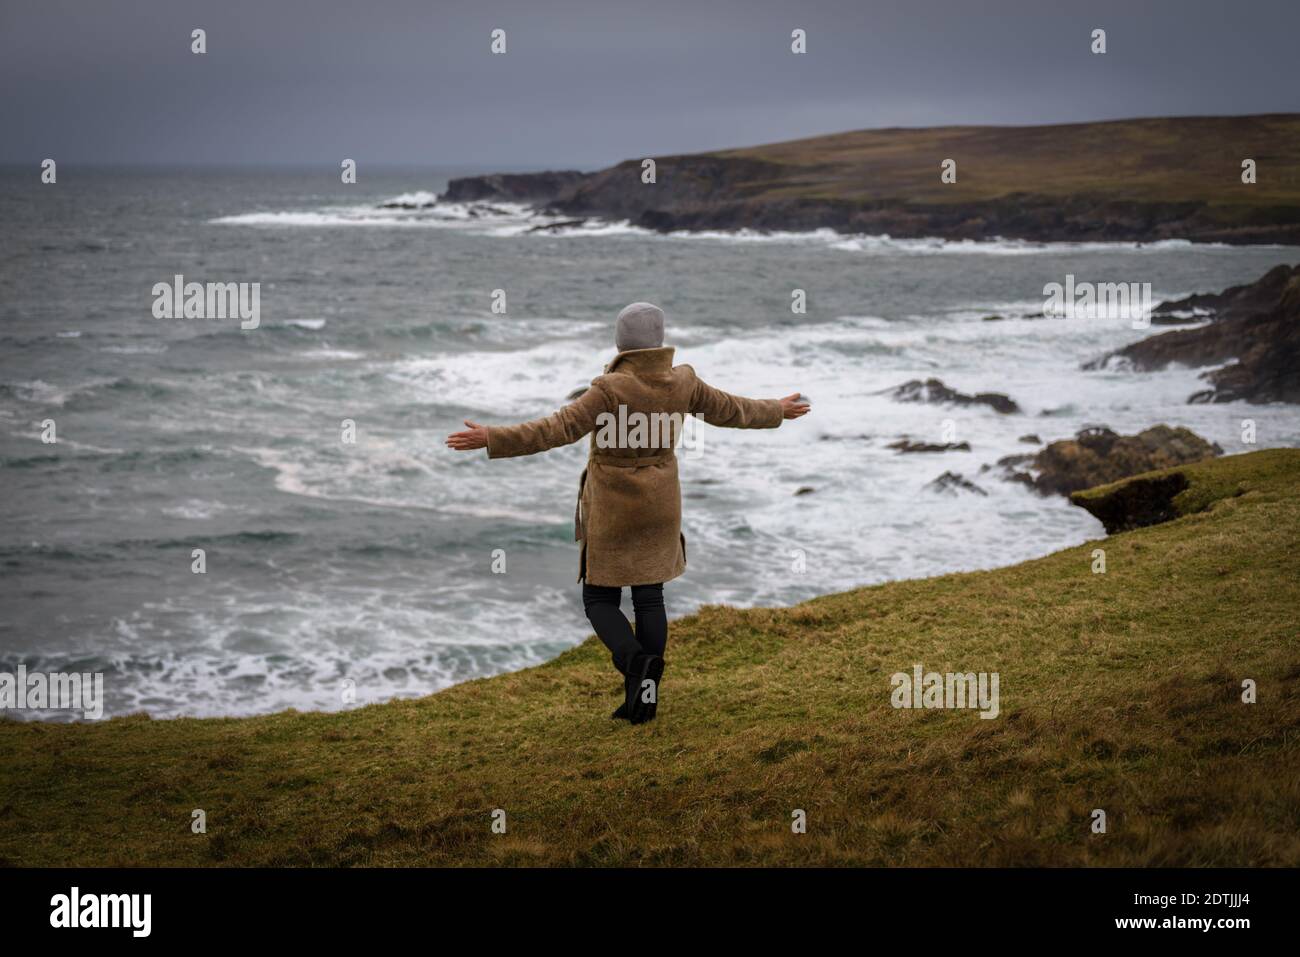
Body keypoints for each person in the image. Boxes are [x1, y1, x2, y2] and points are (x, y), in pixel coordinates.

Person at [446, 302, 809, 723]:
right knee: (648, 596)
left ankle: (636, 664)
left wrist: (493, 437)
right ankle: (644, 701)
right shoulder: (684, 382)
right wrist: (776, 411)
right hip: (661, 501)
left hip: (615, 506)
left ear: (622, 343)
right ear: (659, 341)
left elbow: (556, 429)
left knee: (599, 598)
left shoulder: (609, 389)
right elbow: (730, 409)